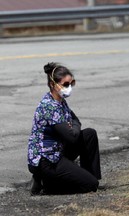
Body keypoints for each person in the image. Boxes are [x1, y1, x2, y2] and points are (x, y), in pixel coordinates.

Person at [27, 62, 101, 195]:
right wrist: (73, 127)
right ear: (52, 85)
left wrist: (73, 126)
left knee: (89, 134)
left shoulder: (60, 101)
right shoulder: (49, 106)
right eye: (65, 84)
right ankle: (46, 184)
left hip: (57, 151)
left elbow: (76, 121)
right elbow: (71, 137)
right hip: (46, 160)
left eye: (72, 83)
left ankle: (89, 177)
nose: (69, 87)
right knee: (90, 185)